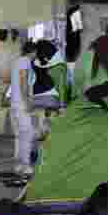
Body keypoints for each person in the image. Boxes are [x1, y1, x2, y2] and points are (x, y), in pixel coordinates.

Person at [10, 41, 37, 176]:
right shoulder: (25, 61)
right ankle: (25, 165)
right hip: (21, 103)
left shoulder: (17, 61)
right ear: (33, 51)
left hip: (15, 103)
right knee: (28, 134)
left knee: (20, 135)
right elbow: (23, 81)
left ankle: (19, 165)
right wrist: (27, 101)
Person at [30, 40, 70, 109]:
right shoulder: (59, 66)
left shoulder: (33, 62)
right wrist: (63, 107)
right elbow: (61, 87)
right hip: (51, 99)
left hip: (33, 98)